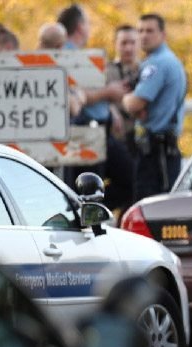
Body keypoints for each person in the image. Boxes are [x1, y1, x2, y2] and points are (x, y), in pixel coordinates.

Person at [57, 4, 134, 212]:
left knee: (127, 178)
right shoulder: (67, 56)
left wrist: (110, 108)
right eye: (88, 23)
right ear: (80, 26)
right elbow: (75, 99)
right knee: (93, 187)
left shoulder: (80, 55)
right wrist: (108, 93)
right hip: (85, 133)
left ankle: (91, 212)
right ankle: (86, 213)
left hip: (101, 130)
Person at [123, 13, 187, 200]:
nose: (144, 35)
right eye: (140, 31)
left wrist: (126, 98)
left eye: (150, 31)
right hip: (161, 150)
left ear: (163, 34)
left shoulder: (157, 63)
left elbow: (135, 103)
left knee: (150, 208)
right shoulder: (165, 60)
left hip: (157, 153)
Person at [104, 24, 141, 212]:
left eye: (133, 43)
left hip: (140, 141)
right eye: (124, 43)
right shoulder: (105, 70)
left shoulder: (146, 70)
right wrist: (110, 107)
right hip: (115, 140)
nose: (128, 48)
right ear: (115, 44)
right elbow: (96, 97)